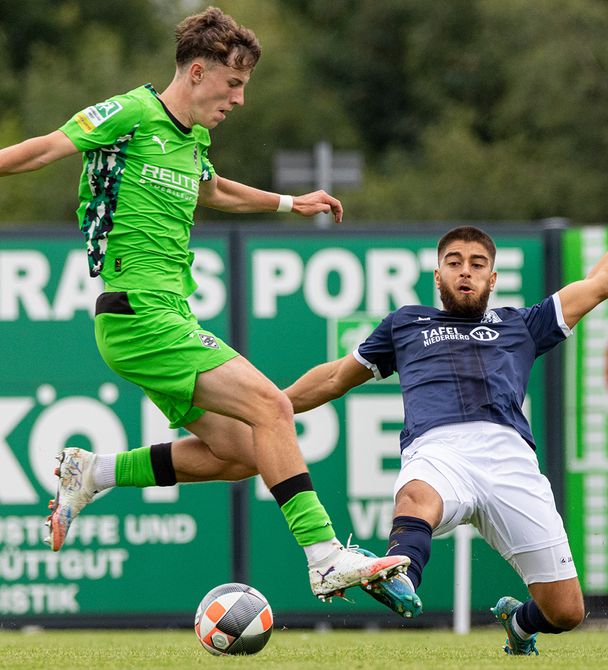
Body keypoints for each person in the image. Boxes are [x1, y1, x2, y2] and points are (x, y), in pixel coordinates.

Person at [0, 6, 408, 601]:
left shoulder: (193, 139)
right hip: (138, 313)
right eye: (234, 84)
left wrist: (292, 204)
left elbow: (213, 190)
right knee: (272, 406)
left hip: (165, 316)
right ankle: (324, 558)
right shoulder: (132, 113)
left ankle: (93, 473)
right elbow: (43, 149)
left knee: (243, 453)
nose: (239, 99)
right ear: (196, 72)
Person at [284, 165, 608, 653]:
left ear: (492, 277)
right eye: (454, 261)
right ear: (438, 274)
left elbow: (598, 284)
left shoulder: (521, 325)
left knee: (566, 611)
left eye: (475, 263)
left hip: (509, 458)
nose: (464, 270)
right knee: (414, 499)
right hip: (438, 448)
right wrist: (273, 408)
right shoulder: (405, 324)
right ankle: (399, 574)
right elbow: (333, 377)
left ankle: (519, 624)